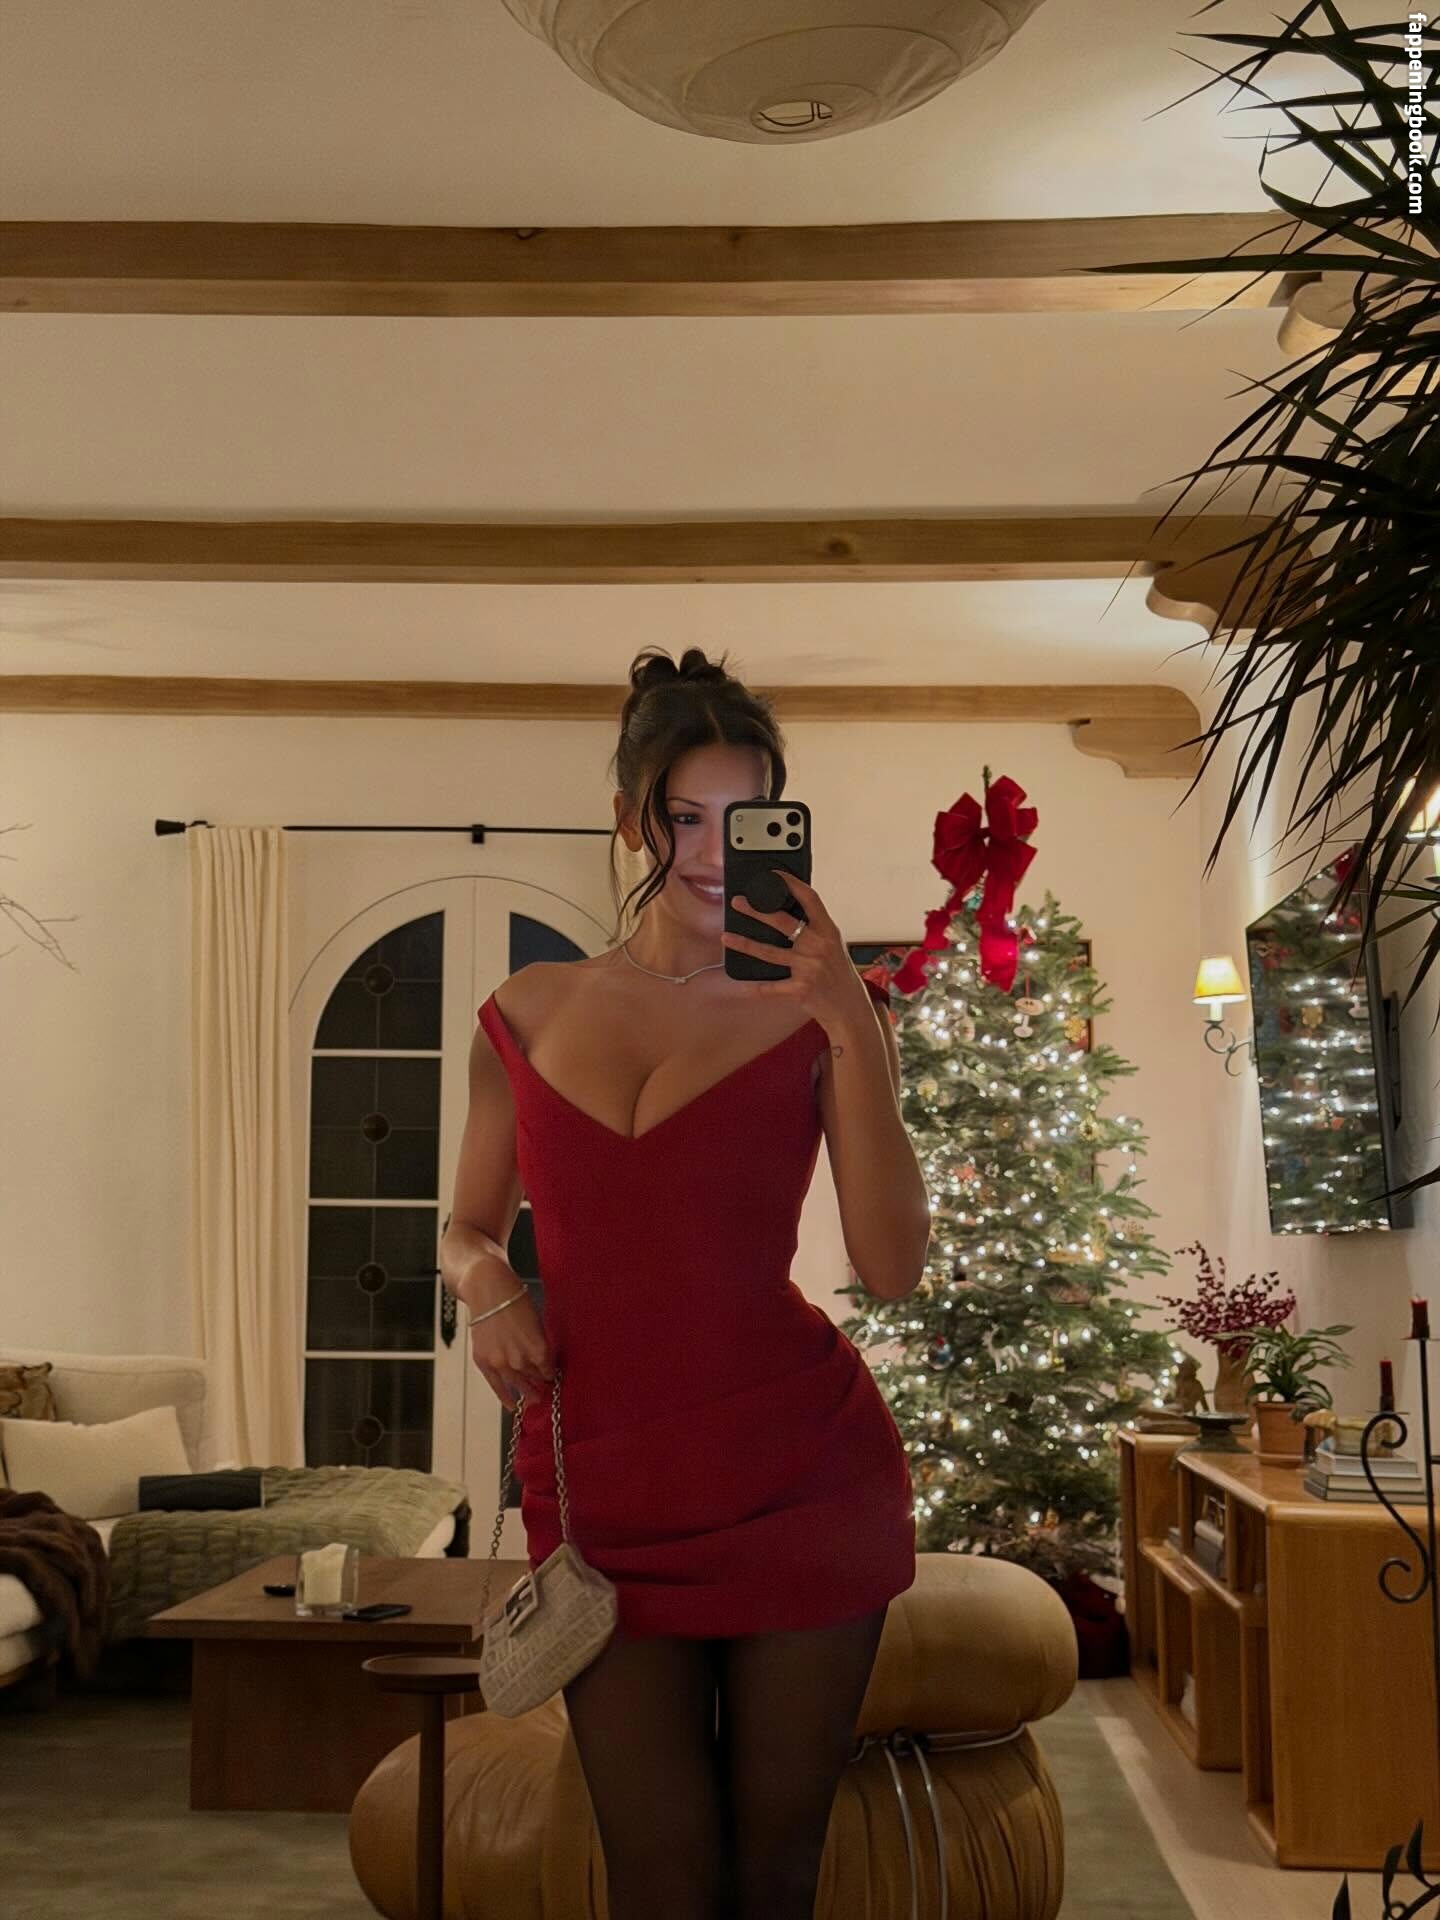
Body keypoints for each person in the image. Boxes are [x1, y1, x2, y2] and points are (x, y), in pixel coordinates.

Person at [439, 643, 932, 1920]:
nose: (716, 853)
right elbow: (464, 1229)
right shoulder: (526, 1011)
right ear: (629, 819)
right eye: (686, 818)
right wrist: (489, 1284)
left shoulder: (818, 1015)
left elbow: (892, 1266)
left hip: (798, 1476)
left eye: (748, 818)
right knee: (656, 1876)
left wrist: (853, 1020)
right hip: (601, 1487)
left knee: (775, 1877)